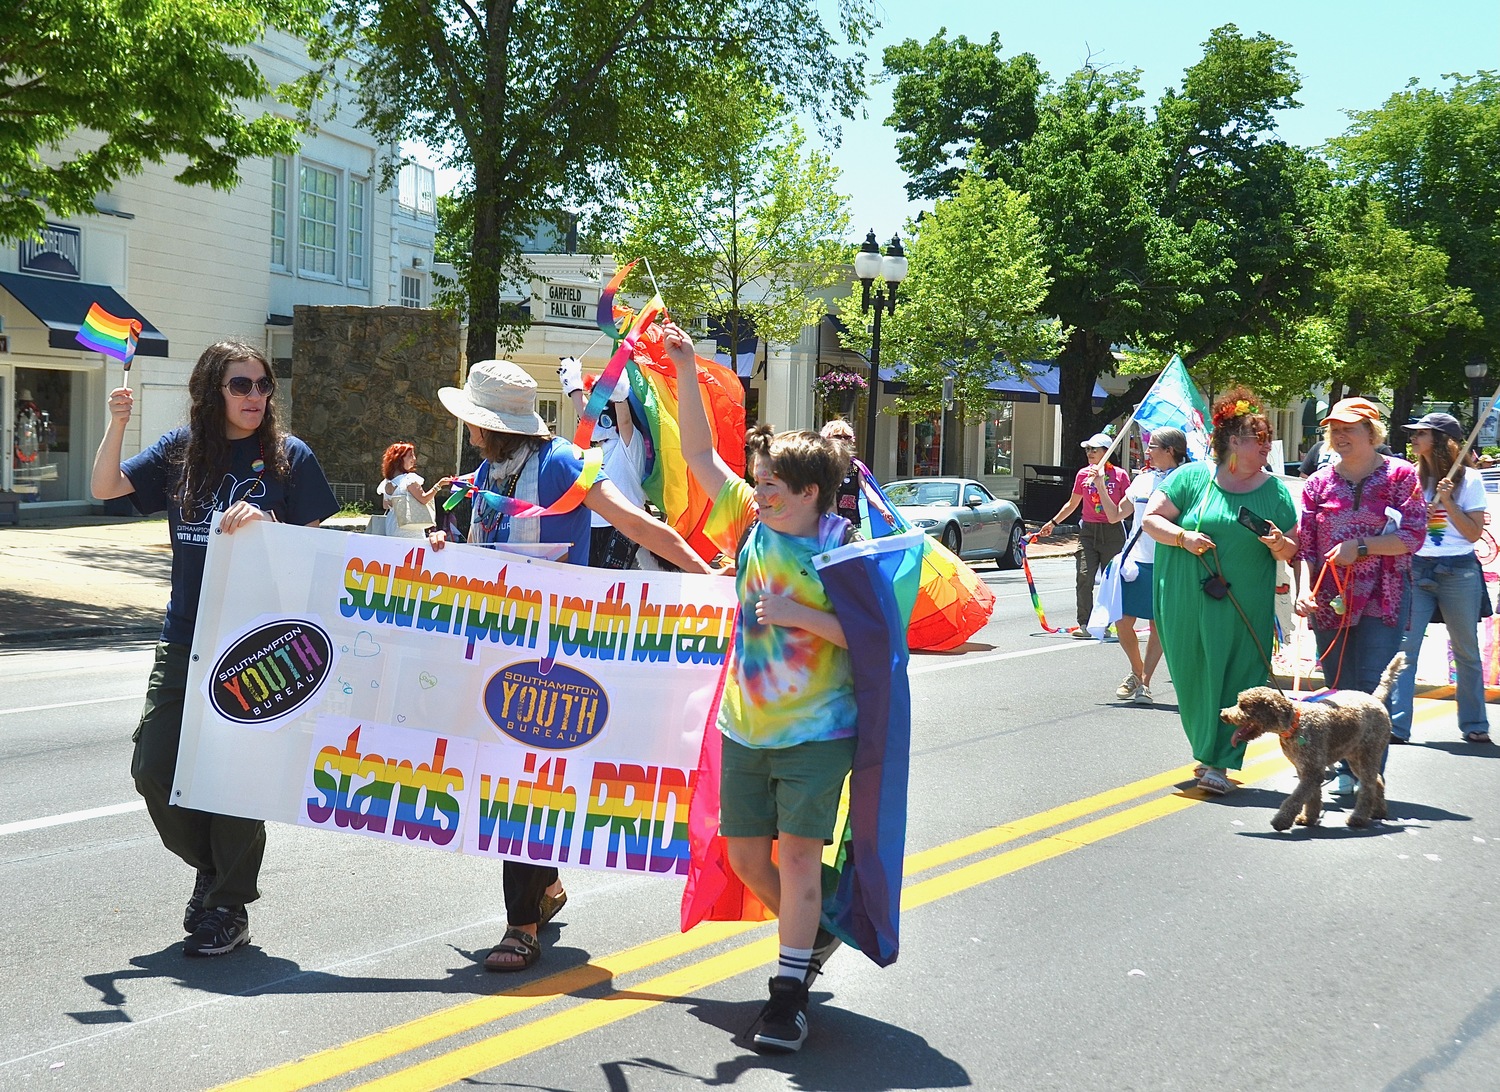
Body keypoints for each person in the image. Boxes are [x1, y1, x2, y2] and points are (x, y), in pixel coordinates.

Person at [428, 358, 711, 973]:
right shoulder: (487, 472)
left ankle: (521, 924)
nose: (468, 432)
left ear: (488, 425)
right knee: (518, 778)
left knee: (521, 780)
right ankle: (545, 888)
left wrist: (707, 578)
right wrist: (445, 548)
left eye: (471, 422)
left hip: (558, 653)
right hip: (504, 647)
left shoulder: (559, 463)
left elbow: (636, 524)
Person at [90, 341, 339, 956]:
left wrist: (267, 525)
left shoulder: (288, 459)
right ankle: (213, 870)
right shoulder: (183, 452)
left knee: (235, 781)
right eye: (241, 385)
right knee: (153, 768)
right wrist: (117, 423)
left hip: (259, 646)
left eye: (262, 386)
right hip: (186, 638)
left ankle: (228, 905)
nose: (255, 397)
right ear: (212, 392)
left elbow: (316, 554)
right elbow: (105, 488)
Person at [667, 321, 854, 1053]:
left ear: (808, 493)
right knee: (746, 858)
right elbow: (695, 454)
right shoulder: (751, 524)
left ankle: (785, 997)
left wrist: (801, 614)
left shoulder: (845, 550)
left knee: (800, 858)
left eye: (772, 482)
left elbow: (875, 641)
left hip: (816, 735)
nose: (760, 488)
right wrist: (687, 364)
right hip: (744, 729)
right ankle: (816, 935)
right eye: (761, 481)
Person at [1142, 389, 1299, 796]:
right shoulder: (1191, 478)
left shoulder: (1276, 491)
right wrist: (1183, 537)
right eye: (1258, 437)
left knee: (1242, 678)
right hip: (1188, 600)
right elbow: (1151, 520)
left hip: (1247, 602)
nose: (1267, 445)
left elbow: (1294, 549)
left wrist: (1278, 544)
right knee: (1195, 676)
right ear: (1232, 441)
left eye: (1267, 438)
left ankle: (1221, 762)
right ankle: (1207, 750)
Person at [1295, 398, 1426, 791]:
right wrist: (1304, 590)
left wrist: (1363, 547)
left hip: (1382, 597)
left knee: (1371, 687)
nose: (1339, 435)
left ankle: (1367, 774)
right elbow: (1305, 548)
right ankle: (1338, 764)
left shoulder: (1400, 476)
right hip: (1329, 598)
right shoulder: (1317, 482)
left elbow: (1413, 535)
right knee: (1337, 686)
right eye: (1334, 429)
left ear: (1372, 432)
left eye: (1349, 428)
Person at [1389, 413, 1491, 745]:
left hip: (1458, 570)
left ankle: (1475, 722)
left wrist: (1448, 501)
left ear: (1441, 440)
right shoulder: (1410, 478)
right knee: (1406, 650)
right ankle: (1397, 726)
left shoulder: (1470, 480)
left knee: (1466, 650)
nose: (1413, 438)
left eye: (1421, 433)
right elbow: (1399, 527)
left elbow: (1474, 534)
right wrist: (1418, 516)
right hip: (1417, 568)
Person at [1111, 427, 1188, 705]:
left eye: (1152, 446)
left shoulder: (1186, 480)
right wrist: (1097, 484)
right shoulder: (1142, 480)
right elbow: (1114, 515)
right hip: (1135, 562)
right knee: (1123, 622)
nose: (1147, 451)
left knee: (1158, 627)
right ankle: (1136, 670)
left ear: (1169, 451)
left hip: (1167, 562)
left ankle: (1144, 683)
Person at [557, 355, 648, 568]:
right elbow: (589, 419)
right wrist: (574, 388)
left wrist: (619, 397)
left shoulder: (630, 443)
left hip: (623, 527)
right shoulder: (601, 446)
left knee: (614, 588)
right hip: (593, 524)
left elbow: (623, 420)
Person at [1038, 433, 1130, 636]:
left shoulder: (1120, 475)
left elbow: (1128, 504)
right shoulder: (1083, 475)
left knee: (1110, 582)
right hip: (1088, 531)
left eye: (1094, 449)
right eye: (1087, 449)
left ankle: (1105, 624)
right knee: (1084, 576)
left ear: (1106, 452)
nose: (1089, 453)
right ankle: (1085, 624)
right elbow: (1072, 504)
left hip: (1113, 532)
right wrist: (1053, 523)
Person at [376, 442, 450, 538]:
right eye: (410, 456)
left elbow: (385, 505)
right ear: (399, 459)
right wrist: (439, 485)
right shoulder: (409, 479)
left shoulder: (386, 482)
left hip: (392, 524)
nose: (414, 459)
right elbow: (423, 499)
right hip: (409, 525)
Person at [820, 418, 862, 526]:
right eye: (838, 437)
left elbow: (869, 491)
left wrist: (883, 510)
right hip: (826, 521)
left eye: (847, 437)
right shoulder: (821, 462)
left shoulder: (856, 465)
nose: (843, 440)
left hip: (849, 520)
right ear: (827, 438)